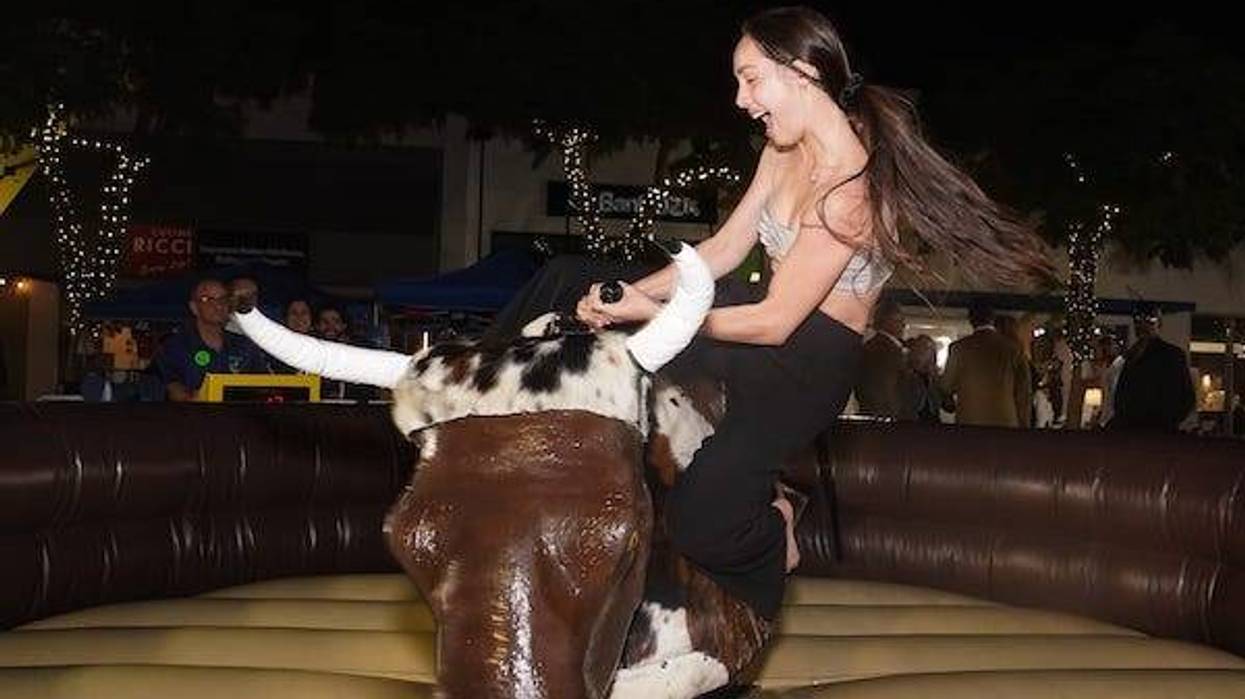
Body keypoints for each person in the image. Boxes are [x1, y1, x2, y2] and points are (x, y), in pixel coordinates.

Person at [490, 6, 1054, 622]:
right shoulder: (782, 152)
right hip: (745, 317)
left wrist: (655, 314)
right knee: (564, 276)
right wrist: (624, 293)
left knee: (702, 525)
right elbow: (722, 250)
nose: (740, 99)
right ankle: (460, 390)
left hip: (804, 362)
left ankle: (778, 525)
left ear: (805, 72)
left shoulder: (853, 192)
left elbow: (777, 323)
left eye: (751, 79)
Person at [152, 278, 266, 401]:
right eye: (207, 299)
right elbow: (173, 389)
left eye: (223, 299)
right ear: (194, 307)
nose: (217, 305)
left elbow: (264, 386)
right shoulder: (174, 347)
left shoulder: (245, 346)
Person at [941, 302, 1033, 428]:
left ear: (971, 320)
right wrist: (1023, 424)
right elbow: (1023, 392)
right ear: (992, 319)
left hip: (969, 419)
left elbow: (947, 385)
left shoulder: (958, 348)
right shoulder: (1013, 349)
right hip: (1005, 421)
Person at [1109, 302, 1195, 431]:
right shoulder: (1130, 355)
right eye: (1138, 320)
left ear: (1158, 323)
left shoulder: (1171, 355)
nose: (1143, 324)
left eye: (1150, 320)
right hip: (1129, 429)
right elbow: (1122, 394)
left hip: (1157, 429)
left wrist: (1166, 422)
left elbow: (1186, 397)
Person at [854, 299, 906, 418]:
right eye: (899, 320)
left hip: (869, 412)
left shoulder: (869, 346)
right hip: (887, 415)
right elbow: (886, 387)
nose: (903, 325)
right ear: (885, 322)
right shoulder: (888, 350)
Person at [899, 334, 945, 423]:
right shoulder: (906, 372)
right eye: (921, 347)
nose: (924, 352)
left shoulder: (935, 375)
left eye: (928, 349)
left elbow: (945, 404)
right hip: (911, 421)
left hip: (932, 421)